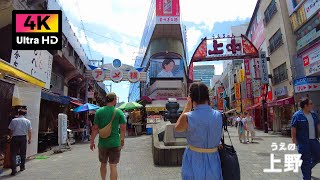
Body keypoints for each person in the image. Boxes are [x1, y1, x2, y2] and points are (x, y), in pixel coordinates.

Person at [175, 82, 223, 180]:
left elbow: (177, 128)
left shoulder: (188, 116)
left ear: (191, 98)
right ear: (207, 97)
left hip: (194, 157)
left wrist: (188, 106)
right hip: (213, 157)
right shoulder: (219, 115)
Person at [90, 92, 126, 180]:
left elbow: (95, 128)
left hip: (103, 143)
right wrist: (122, 140)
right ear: (114, 100)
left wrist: (92, 141)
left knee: (103, 164)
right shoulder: (119, 112)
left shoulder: (99, 111)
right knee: (113, 166)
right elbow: (123, 128)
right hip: (115, 143)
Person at [291, 98, 320, 180]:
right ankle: (306, 176)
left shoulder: (314, 114)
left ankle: (308, 167)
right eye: (310, 104)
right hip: (303, 142)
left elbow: (318, 126)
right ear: (305, 106)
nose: (312, 105)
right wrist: (294, 140)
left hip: (314, 140)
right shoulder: (297, 115)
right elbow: (293, 128)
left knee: (318, 156)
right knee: (305, 160)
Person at [8, 109, 32, 176]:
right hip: (23, 138)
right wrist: (30, 139)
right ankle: (22, 167)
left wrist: (10, 137)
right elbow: (29, 131)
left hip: (15, 138)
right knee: (23, 153)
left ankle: (14, 170)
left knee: (13, 154)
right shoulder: (28, 121)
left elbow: (11, 130)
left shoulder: (14, 120)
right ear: (25, 114)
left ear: (18, 113)